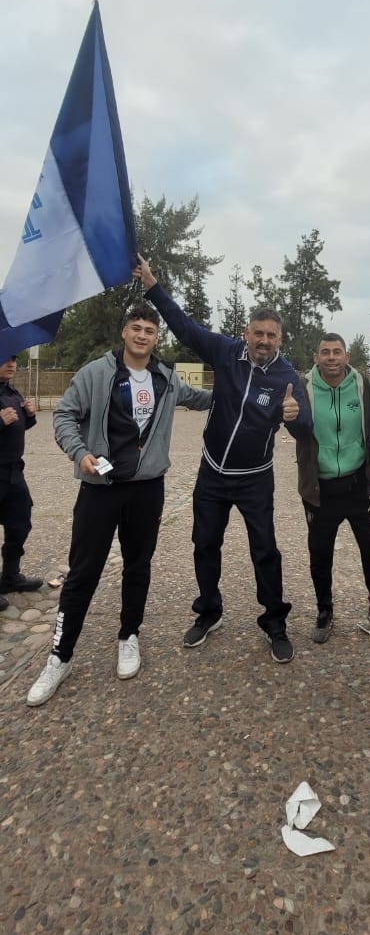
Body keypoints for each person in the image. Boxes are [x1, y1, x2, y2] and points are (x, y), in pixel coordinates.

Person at [26, 303, 212, 706]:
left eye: (149, 329)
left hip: (147, 490)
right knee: (82, 573)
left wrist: (243, 390)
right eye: (136, 328)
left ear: (156, 337)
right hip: (101, 488)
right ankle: (60, 656)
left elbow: (202, 399)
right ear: (124, 332)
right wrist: (79, 454)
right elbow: (65, 416)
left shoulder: (167, 377)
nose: (142, 335)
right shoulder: (96, 372)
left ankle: (129, 635)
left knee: (137, 566)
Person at [134, 256, 312, 664]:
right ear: (246, 333)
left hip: (255, 479)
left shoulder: (287, 377)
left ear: (280, 339)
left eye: (272, 335)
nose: (264, 340)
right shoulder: (225, 352)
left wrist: (295, 416)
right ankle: (209, 611)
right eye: (258, 333)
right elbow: (183, 325)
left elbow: (304, 432)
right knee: (204, 543)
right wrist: (152, 286)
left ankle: (274, 621)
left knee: (265, 549)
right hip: (212, 472)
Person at [296, 333, 370, 644]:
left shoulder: (363, 384)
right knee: (319, 555)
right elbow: (292, 425)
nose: (332, 357)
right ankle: (324, 610)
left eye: (337, 351)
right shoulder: (303, 387)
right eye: (325, 352)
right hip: (319, 489)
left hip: (359, 486)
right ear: (316, 357)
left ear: (346, 356)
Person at [0, 355, 43, 610]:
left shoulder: (12, 391)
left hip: (13, 473)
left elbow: (16, 428)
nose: (11, 364)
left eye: (14, 359)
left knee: (20, 524)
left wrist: (29, 416)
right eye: (4, 359)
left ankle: (10, 576)